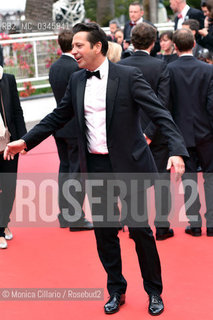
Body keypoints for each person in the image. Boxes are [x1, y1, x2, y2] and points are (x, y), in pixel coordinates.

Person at [4, 22, 188, 315]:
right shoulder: (77, 80)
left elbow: (160, 113)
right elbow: (57, 117)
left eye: (79, 45)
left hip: (129, 167)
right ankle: (116, 289)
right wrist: (24, 141)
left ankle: (154, 291)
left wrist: (177, 150)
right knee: (105, 234)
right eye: (73, 46)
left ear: (97, 47)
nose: (73, 50)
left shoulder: (129, 76)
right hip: (97, 165)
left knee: (140, 232)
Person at [118, 22, 173, 240]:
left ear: (132, 40)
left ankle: (135, 226)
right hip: (157, 133)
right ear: (153, 42)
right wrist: (150, 132)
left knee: (132, 180)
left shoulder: (122, 64)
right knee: (161, 180)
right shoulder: (160, 66)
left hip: (129, 132)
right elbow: (163, 103)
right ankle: (161, 227)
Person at [167, 28, 213, 237]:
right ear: (194, 44)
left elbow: (166, 105)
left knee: (189, 179)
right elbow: (211, 105)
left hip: (181, 133)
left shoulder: (168, 69)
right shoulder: (208, 70)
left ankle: (194, 224)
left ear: (175, 46)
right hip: (206, 132)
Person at [49, 29, 93, 231]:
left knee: (65, 170)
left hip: (60, 127)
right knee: (76, 172)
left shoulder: (55, 67)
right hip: (75, 126)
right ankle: (75, 217)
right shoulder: (76, 68)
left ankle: (65, 214)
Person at [0, 67, 26, 249]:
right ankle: (0, 229)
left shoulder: (7, 79)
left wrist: (24, 140)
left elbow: (17, 111)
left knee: (9, 188)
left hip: (7, 142)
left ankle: (4, 221)